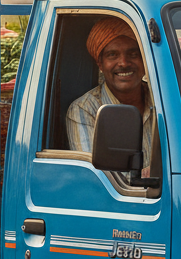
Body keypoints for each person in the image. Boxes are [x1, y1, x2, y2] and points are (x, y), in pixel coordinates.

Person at [66, 18, 156, 175]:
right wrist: (154, 174)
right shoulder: (84, 109)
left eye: (133, 53)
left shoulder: (164, 100)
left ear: (144, 60)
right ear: (100, 64)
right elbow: (97, 179)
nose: (123, 63)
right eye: (112, 55)